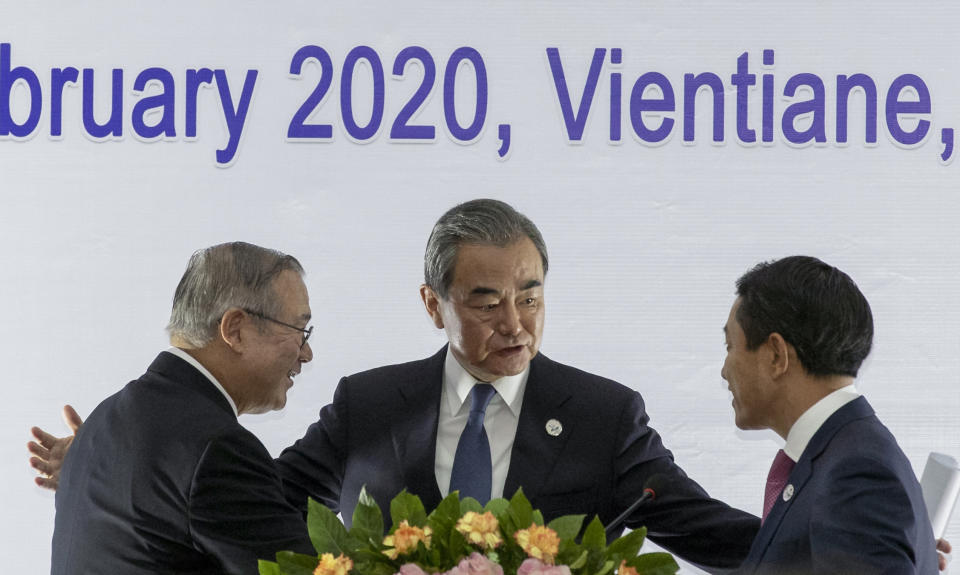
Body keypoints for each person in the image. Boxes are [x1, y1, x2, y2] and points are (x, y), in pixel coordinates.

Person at [45, 242, 315, 575]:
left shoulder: (102, 420)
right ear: (236, 330)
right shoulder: (215, 448)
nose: (307, 354)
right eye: (300, 331)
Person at [722, 256, 938, 574]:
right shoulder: (843, 454)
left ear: (776, 355)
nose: (725, 371)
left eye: (730, 346)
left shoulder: (855, 472)